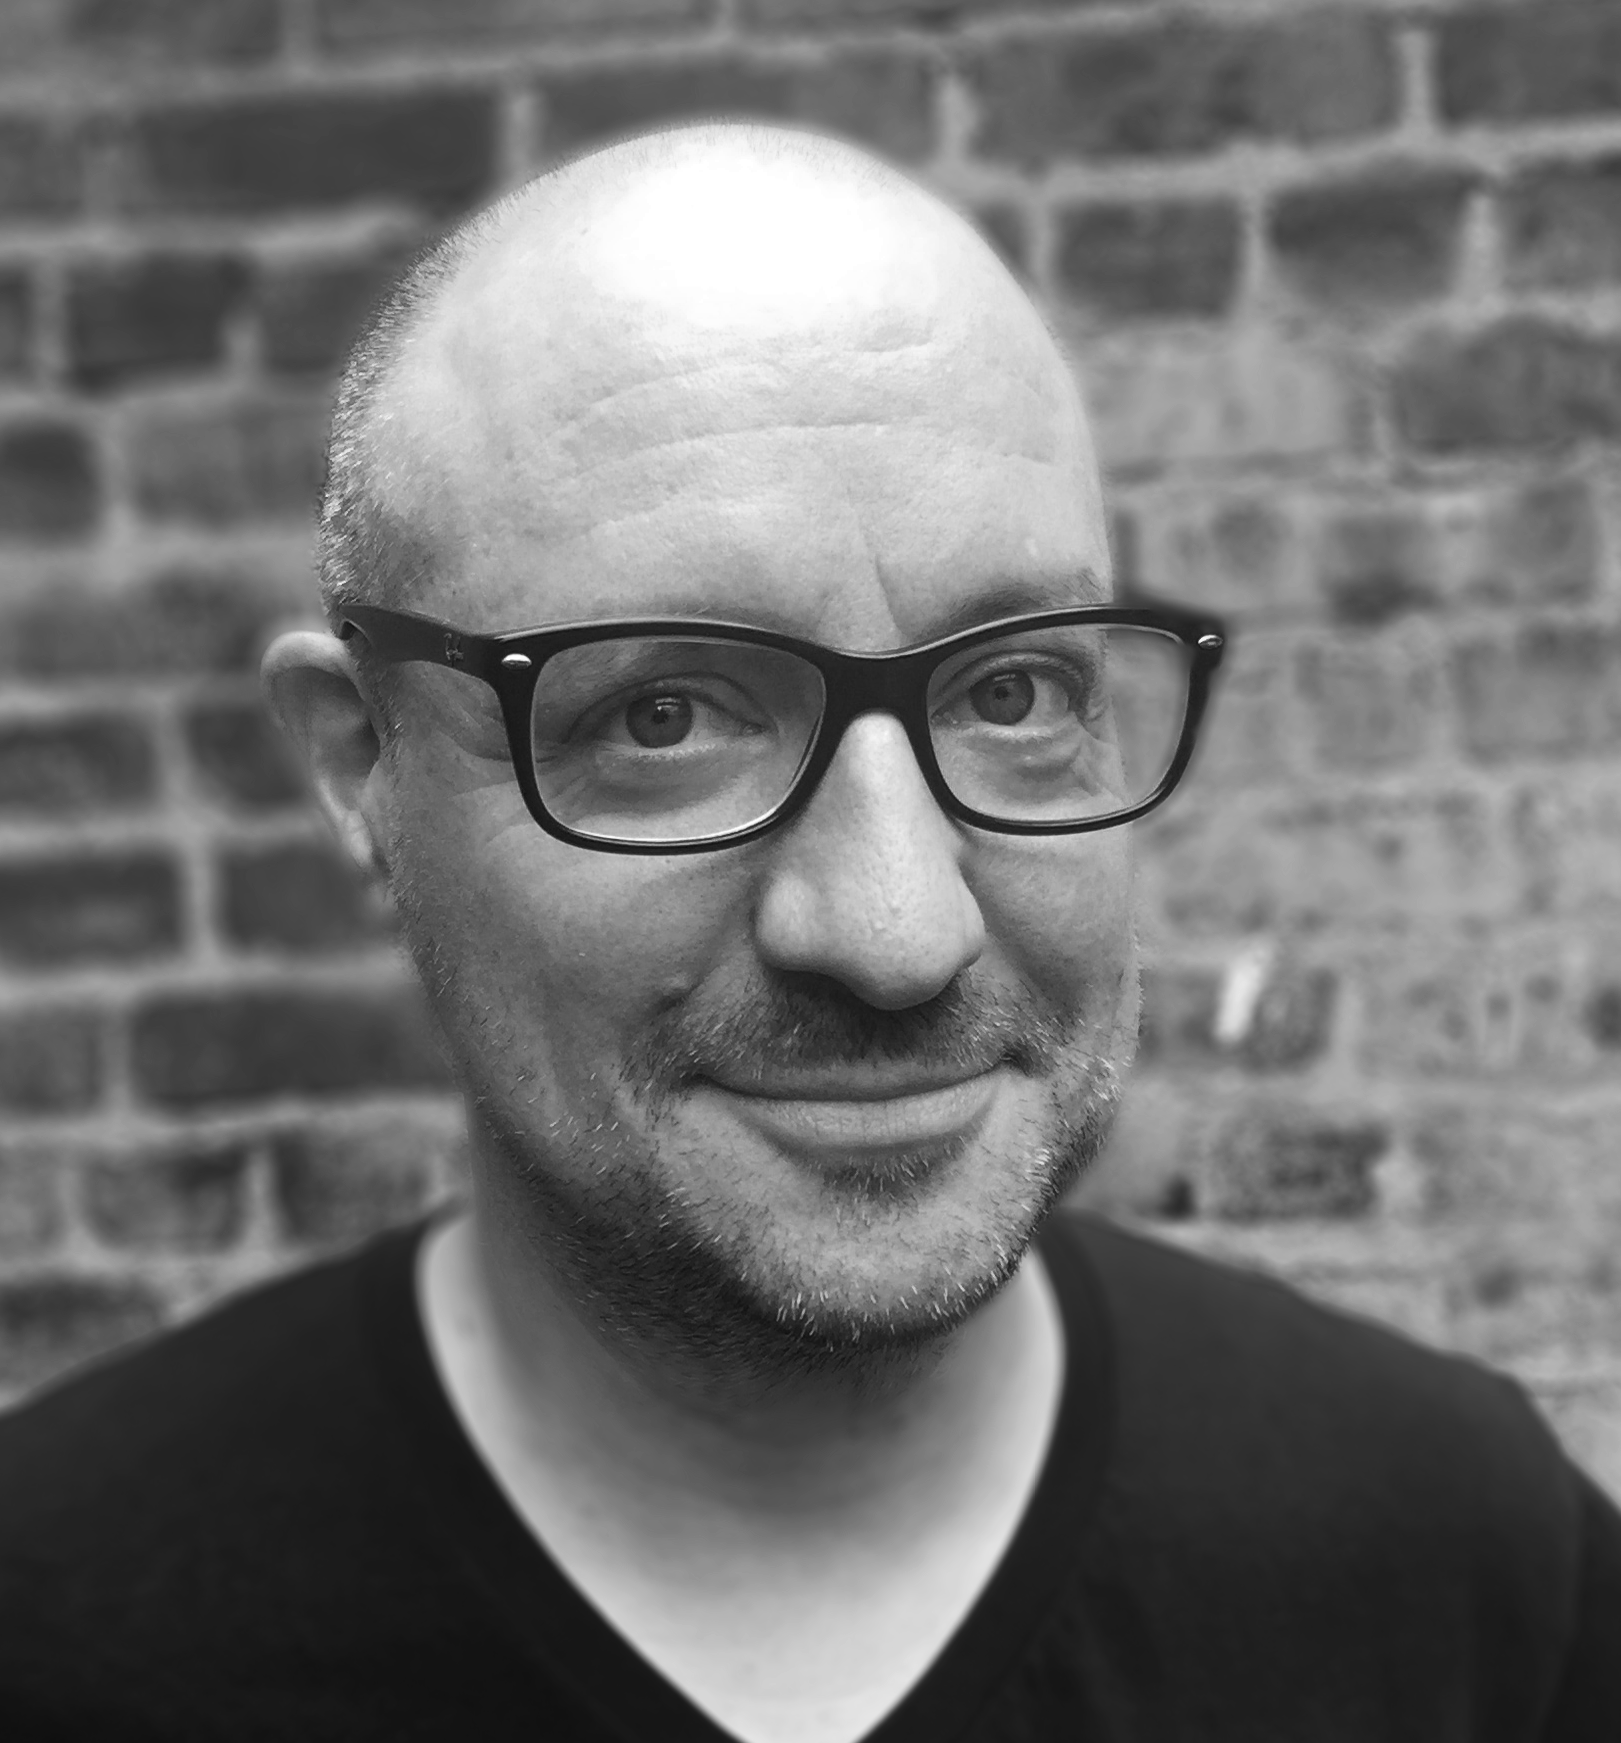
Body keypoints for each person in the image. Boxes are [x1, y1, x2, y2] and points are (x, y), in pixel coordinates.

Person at [0, 121, 1616, 1743]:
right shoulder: (59, 1633)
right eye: (667, 715)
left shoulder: (1478, 1583)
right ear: (365, 762)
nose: (898, 930)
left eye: (1012, 691)